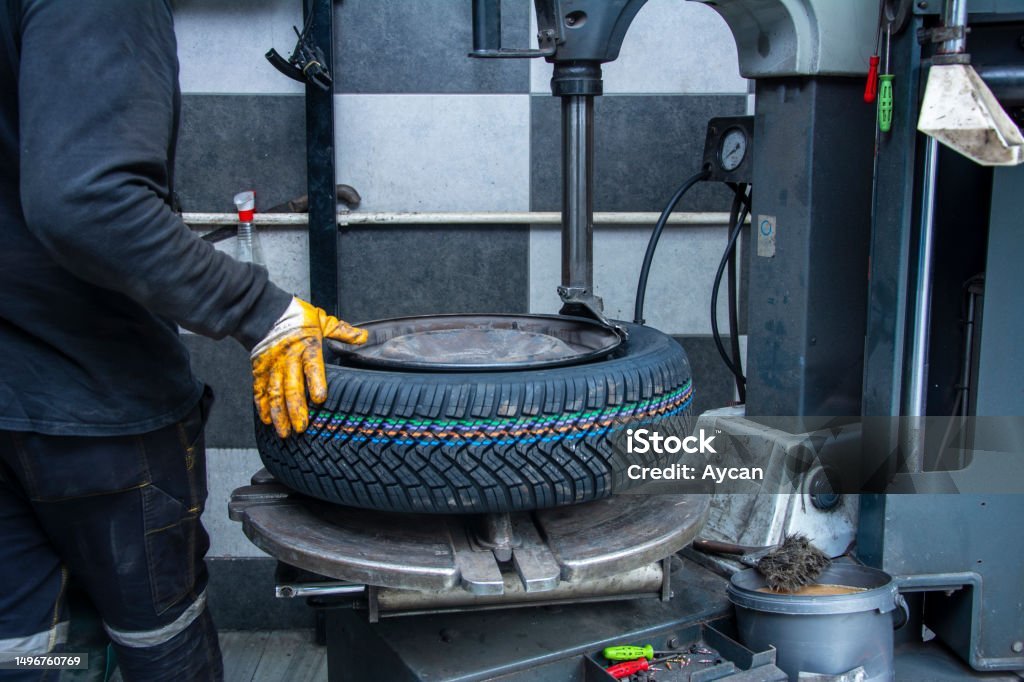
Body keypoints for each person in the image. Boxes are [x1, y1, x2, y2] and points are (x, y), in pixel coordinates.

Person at [0, 1, 366, 679]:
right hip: (93, 406)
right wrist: (260, 308)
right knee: (155, 640)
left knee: (26, 647)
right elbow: (87, 202)